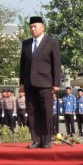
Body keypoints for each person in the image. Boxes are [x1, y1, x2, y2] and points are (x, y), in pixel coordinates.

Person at [18, 16, 62, 148]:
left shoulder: (51, 42)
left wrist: (56, 83)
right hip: (29, 84)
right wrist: (21, 83)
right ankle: (36, 140)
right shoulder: (26, 43)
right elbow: (22, 64)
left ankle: (47, 139)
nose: (32, 29)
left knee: (46, 111)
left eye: (35, 26)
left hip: (45, 83)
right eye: (31, 27)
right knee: (32, 112)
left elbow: (56, 64)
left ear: (42, 27)